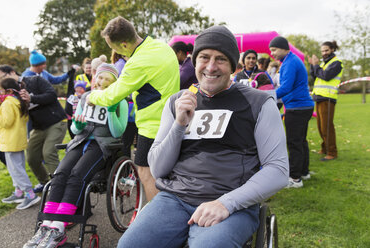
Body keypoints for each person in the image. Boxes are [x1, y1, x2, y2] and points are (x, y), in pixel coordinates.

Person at [118, 25, 289, 248]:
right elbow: (158, 169)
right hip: (175, 199)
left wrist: (226, 203)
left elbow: (278, 170)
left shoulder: (259, 103)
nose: (210, 66)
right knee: (129, 245)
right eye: (204, 57)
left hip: (231, 202)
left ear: (232, 65)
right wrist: (179, 125)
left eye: (220, 59)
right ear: (194, 61)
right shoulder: (178, 101)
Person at [23, 64, 128, 248]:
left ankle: (59, 227)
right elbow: (73, 128)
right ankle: (46, 224)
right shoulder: (85, 97)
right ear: (95, 79)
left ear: (114, 83)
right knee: (59, 174)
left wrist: (111, 111)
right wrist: (78, 125)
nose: (102, 82)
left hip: (102, 144)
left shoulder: (120, 101)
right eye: (100, 78)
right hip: (80, 141)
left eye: (107, 79)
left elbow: (118, 130)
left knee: (77, 176)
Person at [86, 16, 180, 202]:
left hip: (152, 126)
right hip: (173, 118)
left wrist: (92, 97)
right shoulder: (160, 46)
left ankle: (158, 219)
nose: (114, 51)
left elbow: (112, 95)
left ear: (123, 44)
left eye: (114, 47)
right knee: (168, 175)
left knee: (146, 174)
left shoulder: (137, 63)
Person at [0, 65, 67, 193]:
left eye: (3, 77)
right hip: (38, 127)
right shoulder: (12, 94)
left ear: (12, 72)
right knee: (32, 157)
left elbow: (52, 95)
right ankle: (46, 183)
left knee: (48, 153)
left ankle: (59, 187)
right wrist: (28, 134)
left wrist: (32, 98)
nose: (1, 82)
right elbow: (22, 116)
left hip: (56, 122)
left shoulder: (34, 80)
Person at [269, 36, 314, 188]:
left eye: (274, 50)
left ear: (284, 48)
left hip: (297, 107)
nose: (272, 53)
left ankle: (295, 178)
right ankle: (304, 172)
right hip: (302, 106)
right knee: (301, 141)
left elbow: (286, 88)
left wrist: (267, 96)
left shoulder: (290, 62)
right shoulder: (290, 61)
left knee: (294, 142)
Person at [0, 78, 40, 209]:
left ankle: (30, 194)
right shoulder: (19, 102)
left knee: (16, 169)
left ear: (9, 91)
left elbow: (6, 122)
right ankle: (19, 192)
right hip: (17, 140)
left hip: (10, 141)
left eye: (1, 90)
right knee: (17, 167)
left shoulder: (7, 104)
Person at [308, 41, 343, 161]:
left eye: (326, 50)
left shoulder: (336, 63)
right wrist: (313, 65)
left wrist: (316, 66)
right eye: (322, 51)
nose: (324, 53)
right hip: (319, 97)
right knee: (320, 126)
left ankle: (332, 152)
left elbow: (326, 76)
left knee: (327, 126)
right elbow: (315, 76)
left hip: (328, 98)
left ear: (332, 49)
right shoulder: (324, 63)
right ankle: (324, 148)